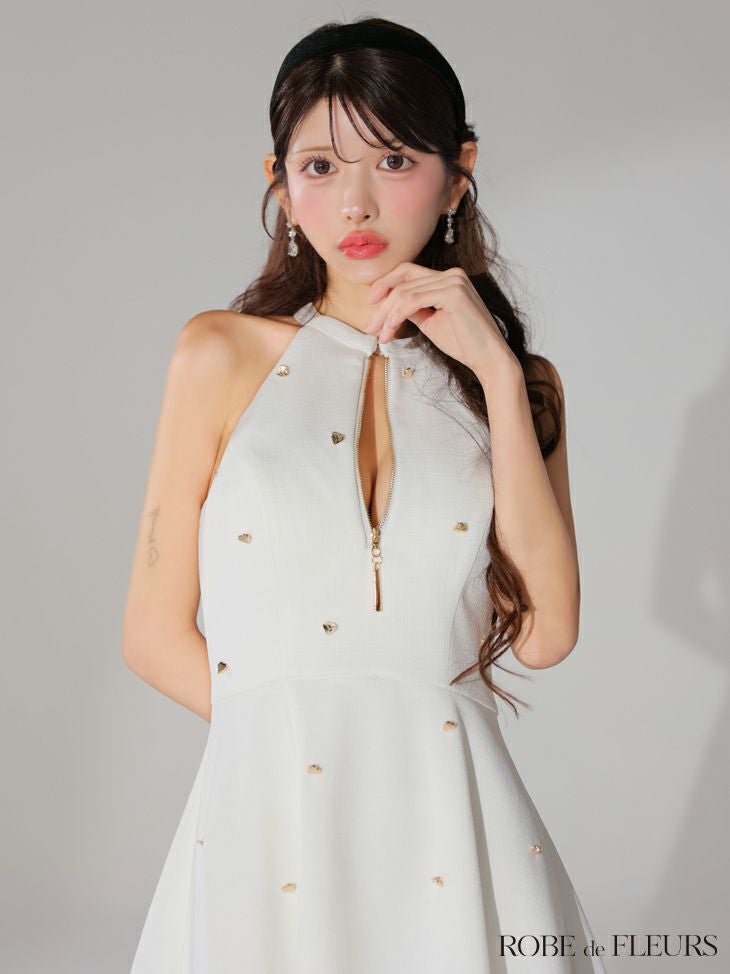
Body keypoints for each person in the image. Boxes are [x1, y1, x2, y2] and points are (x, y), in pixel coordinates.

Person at [124, 16, 606, 973]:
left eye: (393, 160)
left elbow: (547, 634)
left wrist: (496, 375)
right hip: (267, 822)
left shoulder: (522, 387)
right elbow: (152, 635)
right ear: (280, 182)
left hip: (459, 823)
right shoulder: (218, 355)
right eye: (319, 166)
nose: (355, 201)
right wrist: (299, 747)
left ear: (457, 174)